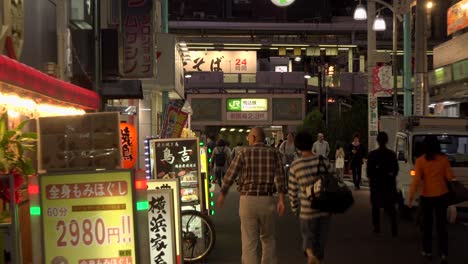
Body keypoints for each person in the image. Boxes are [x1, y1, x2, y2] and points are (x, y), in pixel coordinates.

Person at [217, 127, 286, 264]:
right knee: (268, 238)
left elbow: (230, 175)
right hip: (267, 200)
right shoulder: (274, 153)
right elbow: (280, 177)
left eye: (248, 136)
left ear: (253, 138)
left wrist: (223, 194)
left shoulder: (243, 153)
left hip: (247, 200)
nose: (247, 139)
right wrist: (282, 200)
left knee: (249, 242)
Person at [408, 136, 455, 264]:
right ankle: (443, 254)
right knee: (442, 227)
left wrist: (410, 198)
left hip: (427, 196)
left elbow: (416, 181)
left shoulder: (420, 161)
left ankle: (427, 251)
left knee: (427, 226)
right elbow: (450, 177)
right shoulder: (444, 159)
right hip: (442, 195)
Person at [288, 131, 331, 264]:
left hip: (307, 209)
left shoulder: (295, 166)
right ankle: (317, 257)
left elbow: (292, 191)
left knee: (308, 236)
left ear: (297, 147)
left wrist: (295, 209)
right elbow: (332, 180)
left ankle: (310, 255)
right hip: (325, 208)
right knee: (321, 239)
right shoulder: (323, 161)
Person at [367, 132, 399, 236]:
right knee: (391, 208)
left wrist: (374, 177)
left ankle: (376, 227)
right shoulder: (392, 154)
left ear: (377, 140)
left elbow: (369, 172)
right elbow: (396, 170)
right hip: (389, 185)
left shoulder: (372, 155)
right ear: (387, 141)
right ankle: (394, 228)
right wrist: (390, 175)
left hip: (376, 185)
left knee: (375, 207)